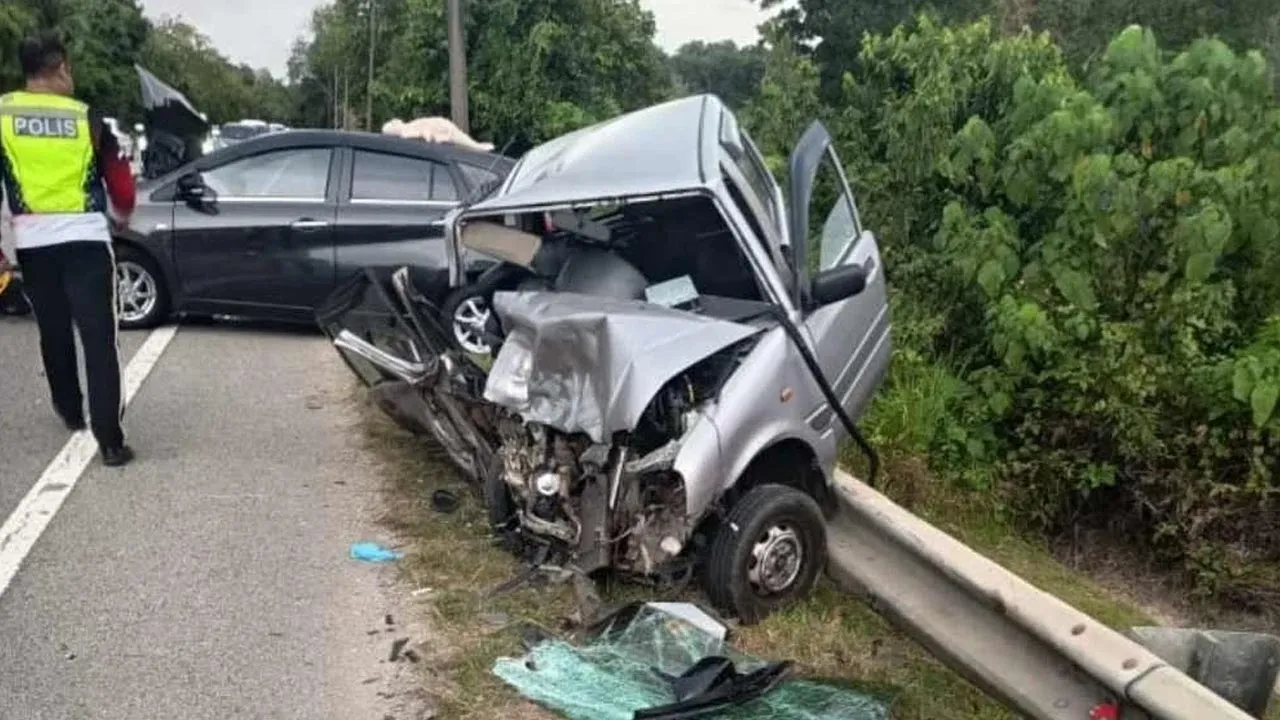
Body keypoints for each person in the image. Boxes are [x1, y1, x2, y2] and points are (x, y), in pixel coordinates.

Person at [1, 32, 138, 466]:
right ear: (60, 68)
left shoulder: (3, 115)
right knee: (99, 339)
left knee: (54, 329)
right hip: (85, 240)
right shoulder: (88, 119)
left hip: (33, 242)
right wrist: (121, 215)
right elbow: (121, 187)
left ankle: (70, 411)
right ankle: (110, 442)